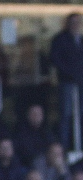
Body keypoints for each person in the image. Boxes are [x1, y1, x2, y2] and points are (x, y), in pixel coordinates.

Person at [49, 13, 83, 151]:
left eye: (78, 22)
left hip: (80, 83)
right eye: (73, 22)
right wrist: (70, 73)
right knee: (66, 115)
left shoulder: (80, 40)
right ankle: (65, 147)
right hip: (67, 82)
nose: (76, 25)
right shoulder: (60, 40)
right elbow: (55, 59)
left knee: (80, 114)